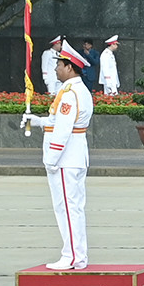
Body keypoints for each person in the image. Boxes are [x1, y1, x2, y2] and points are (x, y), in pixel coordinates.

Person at [21, 38, 94, 270]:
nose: (55, 69)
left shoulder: (71, 93)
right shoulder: (72, 90)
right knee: (70, 207)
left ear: (69, 67)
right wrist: (38, 121)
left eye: (59, 65)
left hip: (66, 157)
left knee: (68, 208)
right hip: (71, 155)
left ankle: (71, 256)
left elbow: (63, 130)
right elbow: (56, 122)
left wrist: (51, 159)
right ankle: (76, 255)